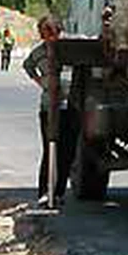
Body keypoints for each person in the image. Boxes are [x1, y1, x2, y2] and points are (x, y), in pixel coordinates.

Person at [22, 16, 79, 207]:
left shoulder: (70, 50)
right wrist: (41, 82)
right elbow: (28, 66)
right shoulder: (39, 53)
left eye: (52, 34)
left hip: (69, 106)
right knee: (49, 150)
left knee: (67, 152)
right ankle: (45, 192)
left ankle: (59, 192)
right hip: (48, 107)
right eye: (45, 35)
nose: (49, 39)